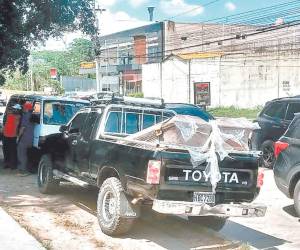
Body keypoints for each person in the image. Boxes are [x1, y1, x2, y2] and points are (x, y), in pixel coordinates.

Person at [2, 104, 22, 169]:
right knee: (12, 151)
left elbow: (8, 110)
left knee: (7, 150)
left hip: (8, 135)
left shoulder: (10, 115)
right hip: (11, 135)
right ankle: (12, 165)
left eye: (15, 109)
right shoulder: (18, 116)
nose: (14, 110)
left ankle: (8, 164)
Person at [17, 101, 34, 175]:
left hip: (24, 138)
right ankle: (25, 168)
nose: (23, 109)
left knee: (21, 153)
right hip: (31, 138)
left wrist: (18, 137)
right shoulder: (32, 116)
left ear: (26, 108)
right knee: (26, 154)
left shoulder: (25, 116)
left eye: (23, 107)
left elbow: (22, 128)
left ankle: (23, 170)